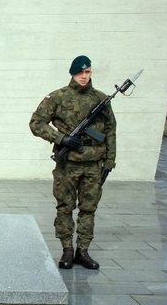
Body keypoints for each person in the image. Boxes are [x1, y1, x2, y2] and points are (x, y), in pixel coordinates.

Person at [29, 55, 116, 270]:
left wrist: (109, 162)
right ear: (72, 74)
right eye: (80, 73)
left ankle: (83, 251)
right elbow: (36, 123)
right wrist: (60, 138)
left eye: (87, 73)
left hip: (94, 164)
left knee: (89, 208)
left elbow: (110, 131)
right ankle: (67, 249)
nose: (84, 77)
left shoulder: (101, 99)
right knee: (65, 207)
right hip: (68, 164)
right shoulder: (57, 97)